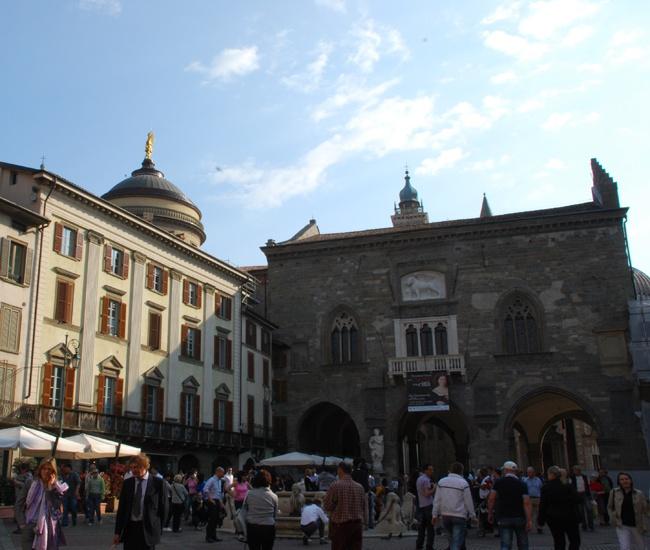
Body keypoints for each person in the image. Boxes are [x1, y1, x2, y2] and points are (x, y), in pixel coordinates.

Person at [113, 453, 169, 550]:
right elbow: (122, 509)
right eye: (132, 468)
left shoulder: (158, 483)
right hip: (130, 529)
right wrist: (117, 532)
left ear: (145, 466)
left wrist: (158, 529)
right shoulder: (127, 483)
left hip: (148, 530)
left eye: (136, 467)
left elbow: (164, 507)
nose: (133, 470)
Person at [488, 460, 532, 550]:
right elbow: (526, 503)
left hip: (504, 516)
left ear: (505, 470)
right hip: (520, 517)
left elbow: (491, 499)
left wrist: (490, 513)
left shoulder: (499, 482)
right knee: (523, 544)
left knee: (505, 545)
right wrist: (529, 519)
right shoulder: (522, 484)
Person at [24, 457, 67, 550]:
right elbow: (20, 503)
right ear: (40, 470)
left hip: (49, 528)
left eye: (49, 469)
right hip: (30, 524)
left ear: (53, 472)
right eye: (44, 468)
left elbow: (57, 507)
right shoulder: (31, 483)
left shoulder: (58, 488)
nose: (46, 471)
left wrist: (50, 488)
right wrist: (21, 523)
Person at [431, 462, 476, 550]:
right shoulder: (463, 483)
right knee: (456, 542)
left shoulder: (442, 482)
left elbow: (437, 500)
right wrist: (472, 516)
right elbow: (468, 501)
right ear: (461, 471)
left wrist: (434, 514)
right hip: (459, 515)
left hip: (445, 515)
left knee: (452, 541)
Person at [323, 461, 367, 550]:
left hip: (341, 526)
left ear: (340, 470)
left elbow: (327, 505)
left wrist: (334, 505)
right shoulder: (360, 487)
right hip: (357, 526)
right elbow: (364, 508)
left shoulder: (335, 486)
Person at [537, 465, 581, 550]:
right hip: (570, 516)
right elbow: (578, 499)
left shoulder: (546, 487)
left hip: (554, 518)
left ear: (551, 474)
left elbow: (543, 505)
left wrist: (540, 520)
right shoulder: (567, 485)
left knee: (558, 541)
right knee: (574, 539)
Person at [607, 471, 647, 550]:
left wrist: (645, 523)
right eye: (621, 479)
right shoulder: (614, 492)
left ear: (630, 480)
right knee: (625, 547)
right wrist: (613, 518)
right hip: (622, 524)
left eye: (626, 479)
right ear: (619, 482)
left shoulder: (639, 493)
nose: (624, 481)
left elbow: (645, 510)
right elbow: (609, 507)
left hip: (637, 524)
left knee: (641, 546)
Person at [244, 469, 279, 550]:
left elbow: (246, 508)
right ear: (269, 481)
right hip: (268, 527)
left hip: (252, 527)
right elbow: (275, 514)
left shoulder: (249, 494)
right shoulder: (273, 496)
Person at [415, 464, 436, 550]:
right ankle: (429, 546)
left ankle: (419, 545)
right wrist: (434, 488)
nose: (432, 471)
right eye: (430, 470)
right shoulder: (426, 480)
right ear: (426, 470)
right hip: (428, 505)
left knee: (422, 528)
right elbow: (427, 493)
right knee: (430, 528)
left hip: (421, 505)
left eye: (432, 470)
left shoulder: (419, 479)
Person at [203, 466, 226, 543]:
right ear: (218, 472)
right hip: (212, 501)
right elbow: (205, 489)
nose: (223, 474)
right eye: (222, 472)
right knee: (212, 519)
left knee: (216, 519)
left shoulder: (219, 481)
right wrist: (210, 499)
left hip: (217, 500)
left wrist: (221, 502)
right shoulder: (212, 480)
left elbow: (218, 493)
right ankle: (208, 537)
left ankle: (214, 536)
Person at [569, 466, 593, 532]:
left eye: (576, 470)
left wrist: (590, 495)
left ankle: (591, 525)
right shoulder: (572, 478)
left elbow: (588, 486)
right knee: (581, 511)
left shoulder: (585, 477)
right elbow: (571, 487)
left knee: (589, 509)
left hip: (585, 494)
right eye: (574, 470)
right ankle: (584, 525)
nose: (575, 471)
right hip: (577, 495)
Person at [13, 461, 33, 535]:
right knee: (19, 511)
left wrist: (17, 483)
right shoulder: (22, 475)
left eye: (21, 469)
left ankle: (22, 528)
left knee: (21, 511)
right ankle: (20, 527)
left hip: (24, 497)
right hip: (19, 496)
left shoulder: (28, 476)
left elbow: (26, 486)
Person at [522, 467, 543, 534]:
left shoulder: (538, 480)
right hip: (529, 498)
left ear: (534, 472)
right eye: (528, 472)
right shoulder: (525, 480)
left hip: (537, 498)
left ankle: (539, 527)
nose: (529, 473)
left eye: (530, 472)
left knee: (538, 513)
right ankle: (528, 526)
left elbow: (541, 488)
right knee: (528, 513)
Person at [59, 463, 80, 528]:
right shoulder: (62, 475)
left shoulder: (74, 474)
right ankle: (65, 522)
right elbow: (60, 483)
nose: (64, 470)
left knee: (73, 508)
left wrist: (77, 491)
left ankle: (74, 519)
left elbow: (78, 483)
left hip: (73, 494)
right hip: (65, 495)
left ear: (69, 468)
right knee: (65, 509)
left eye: (65, 469)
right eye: (64, 469)